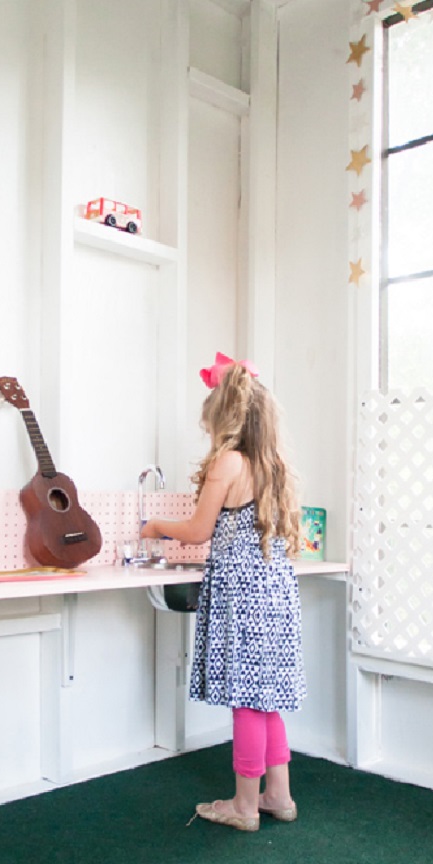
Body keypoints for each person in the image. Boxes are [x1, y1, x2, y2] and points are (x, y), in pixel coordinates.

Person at [140, 352, 305, 832]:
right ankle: (280, 796)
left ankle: (244, 806)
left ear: (223, 418)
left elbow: (196, 530)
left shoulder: (228, 462)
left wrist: (154, 525)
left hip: (242, 593)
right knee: (265, 697)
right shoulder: (271, 464)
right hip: (275, 588)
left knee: (244, 700)